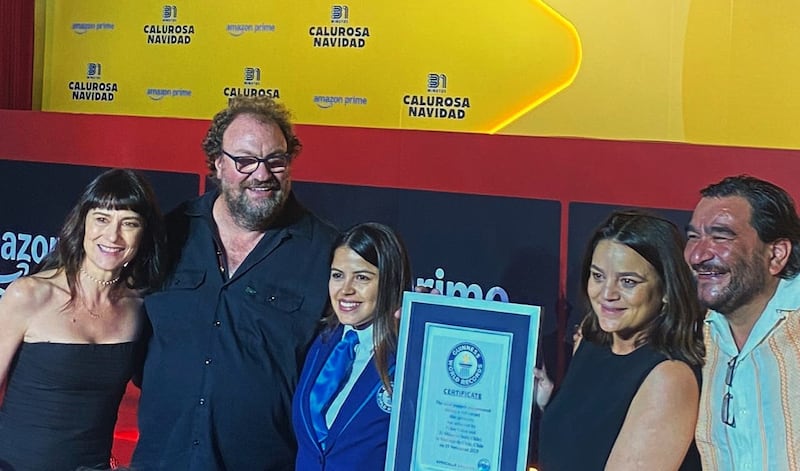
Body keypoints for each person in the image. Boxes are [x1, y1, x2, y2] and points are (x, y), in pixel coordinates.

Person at [132, 96, 339, 470]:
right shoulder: (169, 233)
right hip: (160, 460)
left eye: (275, 160)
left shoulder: (326, 252)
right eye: (245, 161)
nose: (262, 175)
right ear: (218, 164)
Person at [0, 169, 165, 471]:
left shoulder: (141, 307)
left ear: (144, 233)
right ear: (83, 222)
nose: (112, 236)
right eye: (102, 218)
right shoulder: (30, 295)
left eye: (129, 223)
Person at [536, 210, 704, 470]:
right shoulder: (589, 342)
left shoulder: (669, 377)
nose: (607, 294)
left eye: (627, 281)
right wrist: (550, 402)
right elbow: (580, 447)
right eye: (598, 276)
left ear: (667, 291)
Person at [685, 175, 800, 469]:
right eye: (693, 237)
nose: (697, 255)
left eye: (721, 236)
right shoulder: (695, 336)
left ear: (776, 254)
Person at [292, 222, 411, 470]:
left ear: (389, 281)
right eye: (337, 275)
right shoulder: (321, 342)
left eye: (362, 277)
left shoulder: (409, 358)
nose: (345, 290)